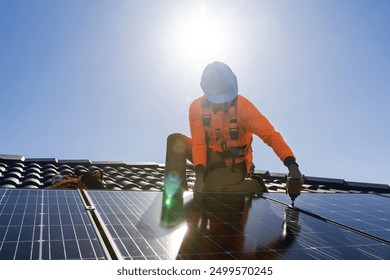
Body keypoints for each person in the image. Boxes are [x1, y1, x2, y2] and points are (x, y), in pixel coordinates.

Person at [164, 61, 303, 193]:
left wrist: (292, 164)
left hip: (234, 163)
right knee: (175, 141)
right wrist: (199, 176)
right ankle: (178, 200)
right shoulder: (196, 108)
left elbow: (270, 135)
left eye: (228, 98)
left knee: (212, 191)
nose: (226, 104)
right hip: (209, 155)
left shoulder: (244, 108)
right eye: (220, 100)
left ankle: (255, 186)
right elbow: (199, 144)